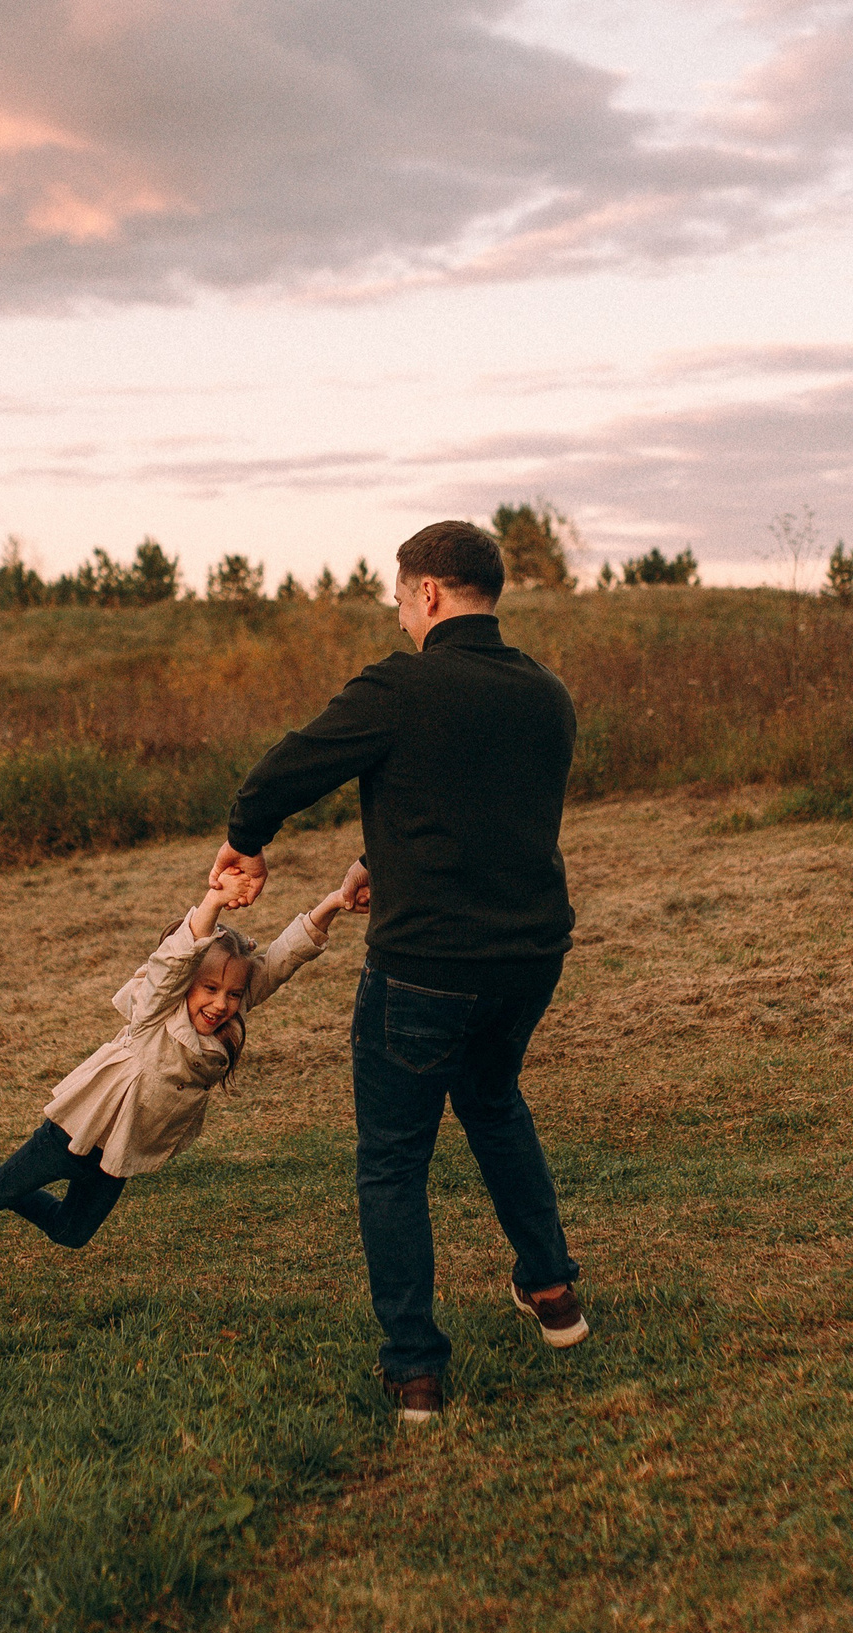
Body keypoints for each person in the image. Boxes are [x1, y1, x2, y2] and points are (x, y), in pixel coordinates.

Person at [210, 519, 583, 1424]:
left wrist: (243, 843)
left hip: (424, 967)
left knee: (391, 1161)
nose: (398, 614)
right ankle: (554, 1297)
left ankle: (415, 1371)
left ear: (428, 594)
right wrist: (397, 858)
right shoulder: (548, 692)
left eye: (399, 596)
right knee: (494, 1106)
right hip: (529, 959)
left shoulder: (402, 685)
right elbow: (491, 812)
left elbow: (289, 768)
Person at [0, 861, 364, 1274]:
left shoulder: (231, 1012)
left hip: (122, 1146)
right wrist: (214, 900)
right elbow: (172, 963)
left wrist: (334, 904)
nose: (221, 1004)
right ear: (187, 985)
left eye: (232, 995)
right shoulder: (158, 1008)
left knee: (71, 1232)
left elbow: (279, 961)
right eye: (209, 990)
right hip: (80, 1127)